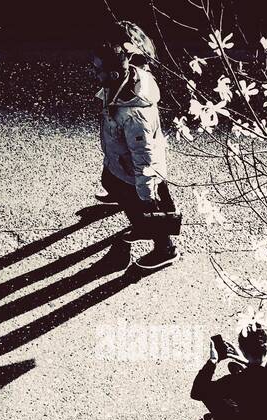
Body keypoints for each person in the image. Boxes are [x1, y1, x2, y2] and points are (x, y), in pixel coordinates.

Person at [91, 21, 181, 272]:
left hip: (135, 172)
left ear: (115, 73)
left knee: (145, 208)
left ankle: (164, 249)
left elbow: (144, 160)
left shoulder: (134, 116)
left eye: (98, 69)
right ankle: (151, 212)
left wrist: (146, 196)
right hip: (121, 162)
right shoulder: (121, 82)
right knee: (110, 181)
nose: (94, 73)